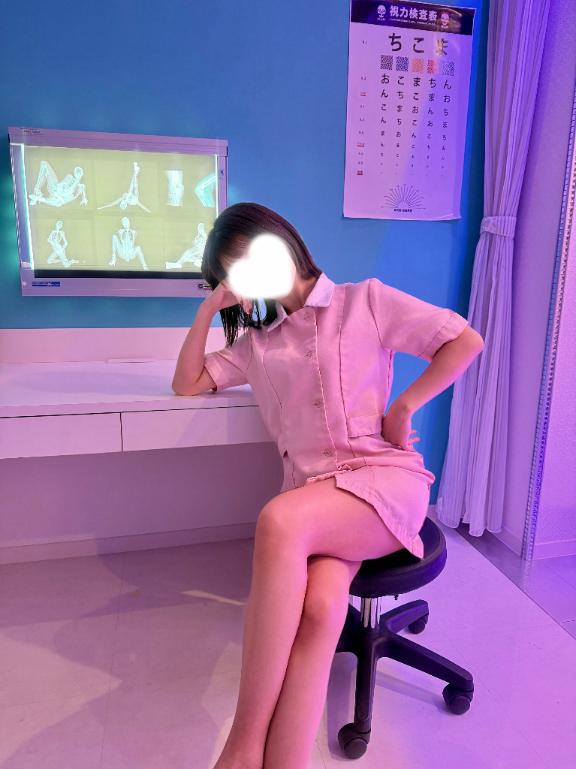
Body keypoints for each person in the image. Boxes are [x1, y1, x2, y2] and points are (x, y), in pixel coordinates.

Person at [172, 202, 484, 769]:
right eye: (235, 272)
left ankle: (241, 747)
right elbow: (187, 382)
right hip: (317, 500)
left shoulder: (365, 300)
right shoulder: (259, 345)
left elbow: (465, 341)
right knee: (319, 611)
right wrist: (209, 307)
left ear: (281, 242)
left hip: (383, 483)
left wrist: (404, 405)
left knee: (278, 519)